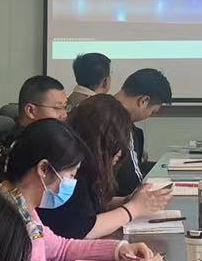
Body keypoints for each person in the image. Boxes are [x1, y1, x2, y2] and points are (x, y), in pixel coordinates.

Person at [0, 119, 158, 261]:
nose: (72, 182)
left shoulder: (20, 203)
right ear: (44, 169)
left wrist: (118, 250)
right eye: (71, 175)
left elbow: (60, 249)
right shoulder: (5, 216)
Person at [40, 95, 172, 239]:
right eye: (116, 144)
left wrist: (127, 201)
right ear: (100, 143)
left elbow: (92, 207)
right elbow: (83, 229)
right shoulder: (70, 171)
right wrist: (133, 209)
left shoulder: (84, 167)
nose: (120, 153)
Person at [111, 67, 173, 198]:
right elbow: (131, 183)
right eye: (152, 112)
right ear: (143, 101)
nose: (149, 116)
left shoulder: (97, 108)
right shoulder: (120, 122)